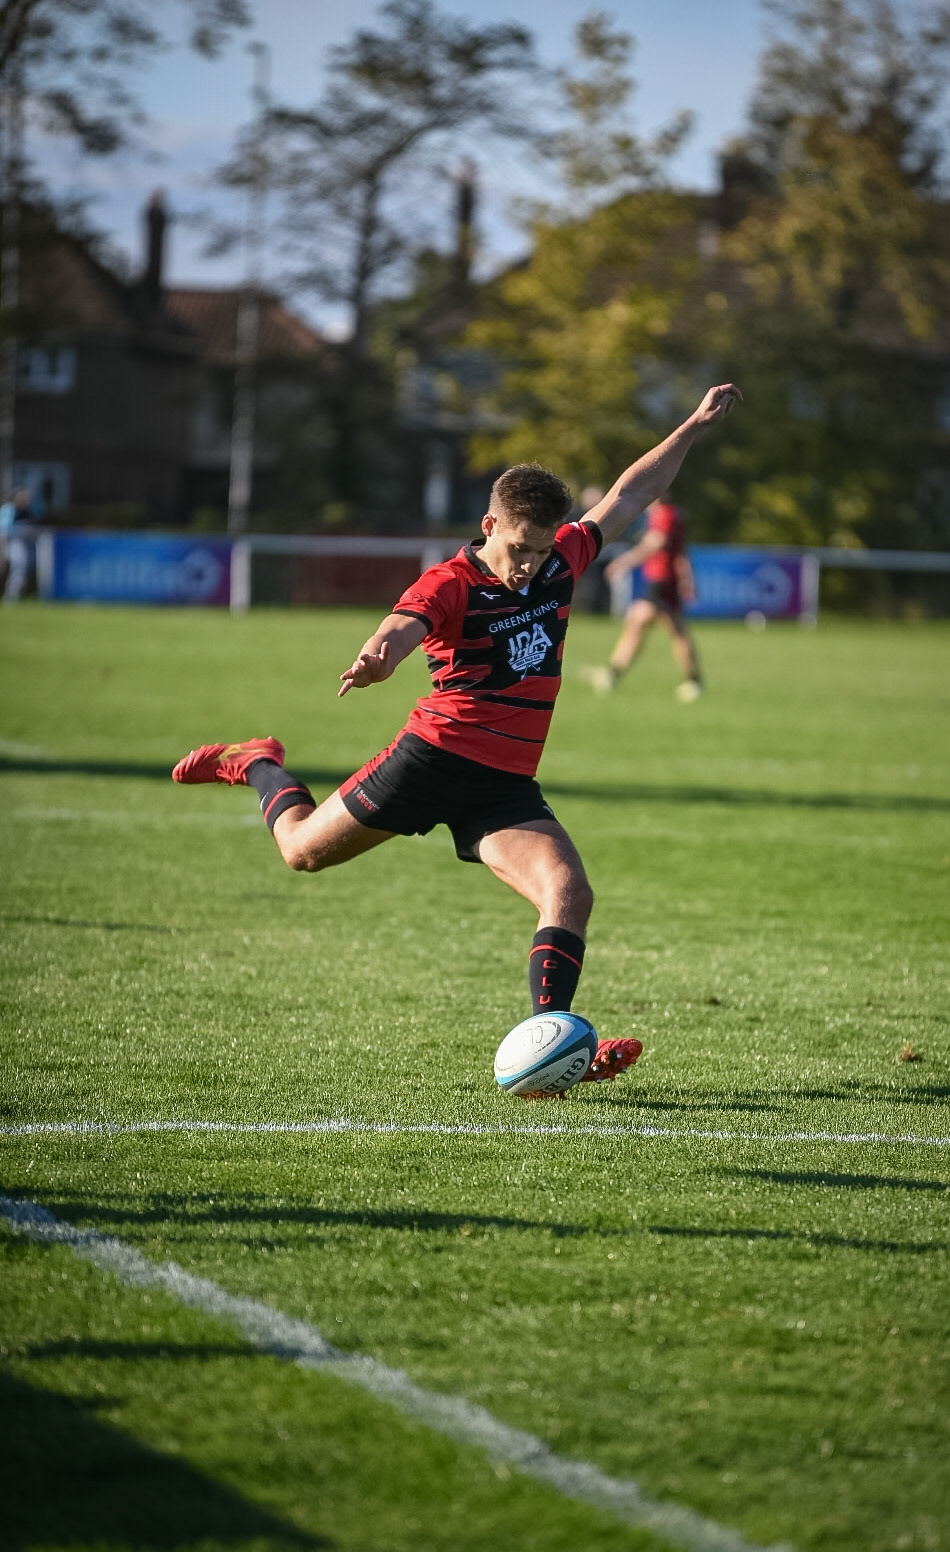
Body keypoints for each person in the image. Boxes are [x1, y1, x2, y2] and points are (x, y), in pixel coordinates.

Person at [173, 384, 742, 1098]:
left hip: (503, 785)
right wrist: (380, 654)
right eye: (517, 547)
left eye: (540, 549)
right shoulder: (452, 582)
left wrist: (690, 425)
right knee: (300, 854)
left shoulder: (564, 557)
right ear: (489, 524)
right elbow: (402, 624)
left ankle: (554, 1045)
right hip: (431, 761)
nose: (529, 563)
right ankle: (257, 762)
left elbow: (629, 494)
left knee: (569, 892)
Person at [586, 491, 704, 701]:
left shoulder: (663, 514)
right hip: (662, 581)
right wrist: (687, 578)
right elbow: (680, 552)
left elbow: (654, 543)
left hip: (661, 581)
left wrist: (624, 562)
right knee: (640, 623)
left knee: (671, 630)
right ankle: (613, 673)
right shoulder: (673, 514)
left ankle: (693, 681)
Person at [1, 486, 37, 604]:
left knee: (20, 571)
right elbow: (4, 532)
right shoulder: (9, 510)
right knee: (16, 570)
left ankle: (13, 596)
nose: (27, 499)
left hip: (22, 545)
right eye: (24, 497)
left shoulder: (27, 512)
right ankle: (10, 597)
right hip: (9, 544)